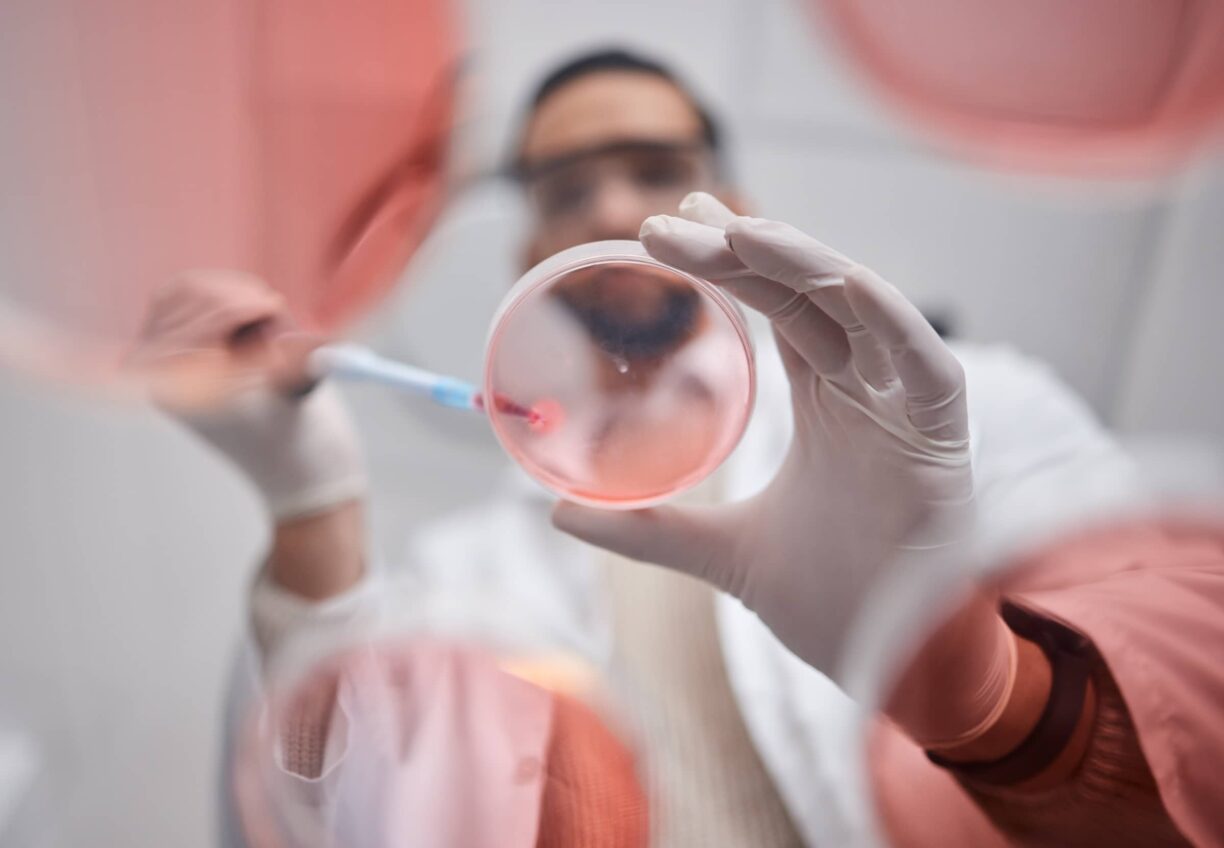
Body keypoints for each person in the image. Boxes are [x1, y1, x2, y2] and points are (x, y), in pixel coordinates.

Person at [133, 49, 1203, 847]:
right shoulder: (466, 571)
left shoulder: (971, 414)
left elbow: (1192, 709)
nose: (610, 206)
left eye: (652, 167)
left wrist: (984, 681)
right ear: (533, 250)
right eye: (565, 189)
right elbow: (340, 814)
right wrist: (311, 510)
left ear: (729, 207)